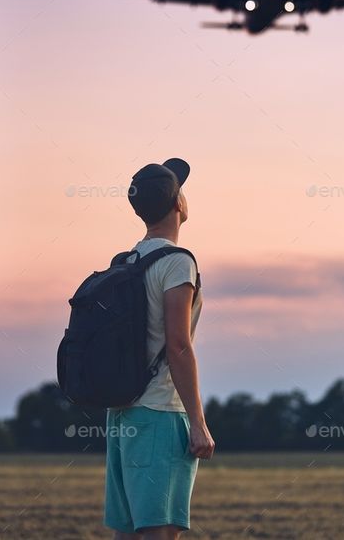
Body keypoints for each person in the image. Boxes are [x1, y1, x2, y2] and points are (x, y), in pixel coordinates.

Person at [104, 158, 215, 540]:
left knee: (130, 530)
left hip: (121, 414)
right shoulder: (177, 263)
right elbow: (179, 346)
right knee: (160, 531)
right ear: (178, 205)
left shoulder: (128, 261)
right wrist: (197, 423)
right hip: (160, 414)